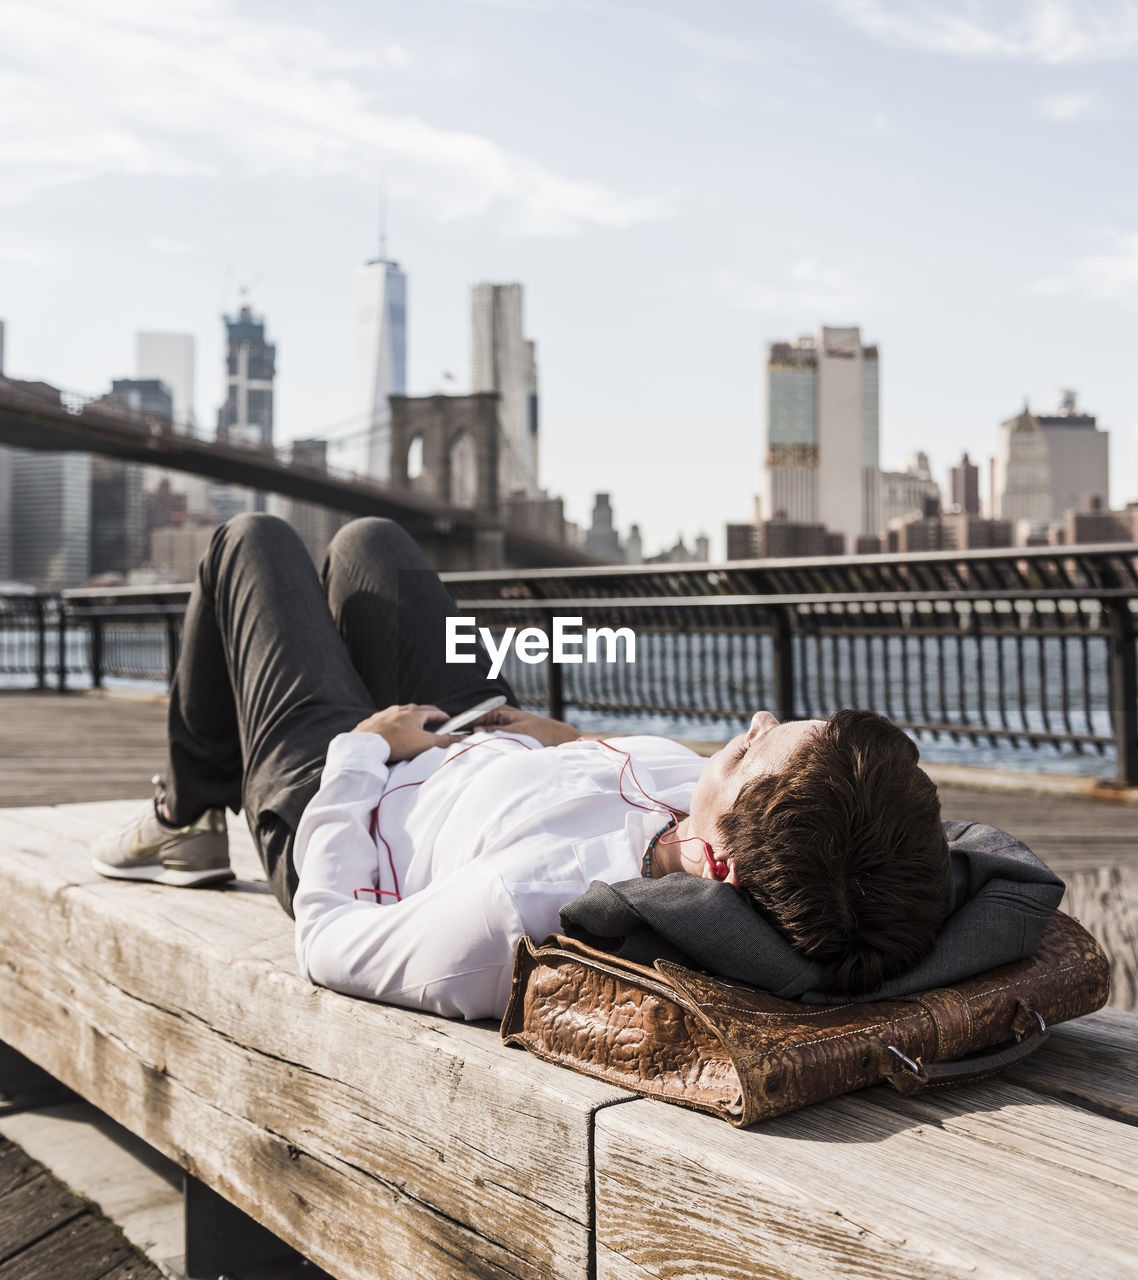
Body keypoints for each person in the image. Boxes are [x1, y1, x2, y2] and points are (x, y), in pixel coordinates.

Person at [93, 513, 954, 1021]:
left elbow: (327, 940)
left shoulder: (516, 911)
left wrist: (363, 753)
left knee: (251, 541)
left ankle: (183, 821)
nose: (757, 719)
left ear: (719, 858)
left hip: (351, 804)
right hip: (484, 743)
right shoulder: (736, 837)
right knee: (369, 544)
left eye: (752, 746)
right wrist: (563, 739)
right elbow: (638, 794)